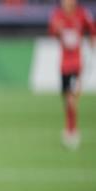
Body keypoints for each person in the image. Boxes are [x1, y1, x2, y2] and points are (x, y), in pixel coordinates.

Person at [48, 0, 96, 149]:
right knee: (66, 98)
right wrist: (57, 30)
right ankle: (70, 127)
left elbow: (92, 28)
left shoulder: (82, 14)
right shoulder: (58, 15)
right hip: (64, 65)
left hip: (77, 63)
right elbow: (52, 33)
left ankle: (72, 131)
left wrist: (92, 41)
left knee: (71, 98)